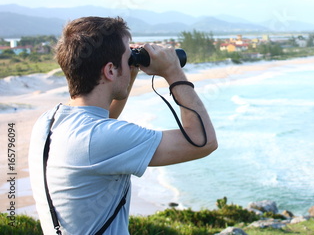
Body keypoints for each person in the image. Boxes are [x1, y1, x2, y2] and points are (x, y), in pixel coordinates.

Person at [28, 16, 217, 234]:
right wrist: (173, 71)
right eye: (129, 59)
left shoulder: (48, 121)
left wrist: (128, 73)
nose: (132, 63)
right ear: (110, 71)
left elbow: (101, 121)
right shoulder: (99, 138)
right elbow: (203, 142)